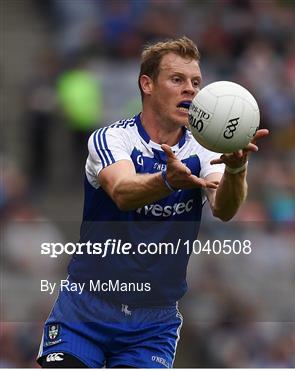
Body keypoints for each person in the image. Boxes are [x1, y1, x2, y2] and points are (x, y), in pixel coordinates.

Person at [37, 36, 269, 368]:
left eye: (195, 82)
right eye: (177, 80)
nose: (190, 89)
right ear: (147, 84)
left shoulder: (204, 150)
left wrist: (236, 168)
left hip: (152, 324)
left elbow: (224, 207)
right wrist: (166, 182)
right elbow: (122, 192)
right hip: (86, 309)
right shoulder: (112, 139)